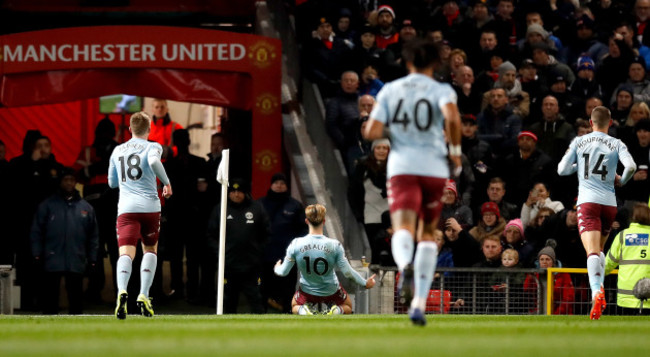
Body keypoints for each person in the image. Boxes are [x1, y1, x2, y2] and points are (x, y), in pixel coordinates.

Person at [363, 39, 462, 325]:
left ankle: (404, 265)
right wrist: (455, 153)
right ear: (435, 63)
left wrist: (395, 129)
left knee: (403, 227)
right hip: (432, 165)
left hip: (403, 166)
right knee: (428, 233)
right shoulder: (442, 90)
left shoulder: (392, 90)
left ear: (407, 63)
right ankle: (418, 302)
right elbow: (453, 120)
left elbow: (371, 130)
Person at [557, 106, 637, 320]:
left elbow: (561, 170)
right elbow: (631, 167)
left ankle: (596, 293)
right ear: (610, 123)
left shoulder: (579, 141)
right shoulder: (617, 143)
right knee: (599, 250)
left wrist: (579, 165)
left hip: (588, 202)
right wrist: (622, 180)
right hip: (610, 204)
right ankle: (599, 290)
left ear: (591, 123)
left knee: (591, 251)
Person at [108, 111, 173, 319]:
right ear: (149, 129)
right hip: (150, 208)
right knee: (150, 250)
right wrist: (166, 183)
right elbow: (154, 162)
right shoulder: (153, 146)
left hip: (126, 209)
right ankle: (144, 294)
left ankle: (122, 291)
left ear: (130, 129)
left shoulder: (118, 151)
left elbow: (111, 183)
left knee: (126, 253)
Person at [274, 204, 376, 315]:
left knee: (294, 306)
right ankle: (336, 310)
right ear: (324, 221)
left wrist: (277, 267)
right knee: (347, 306)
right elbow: (347, 272)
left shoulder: (296, 243)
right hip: (331, 290)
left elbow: (283, 272)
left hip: (307, 291)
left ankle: (304, 310)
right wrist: (365, 283)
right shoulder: (334, 245)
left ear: (307, 221)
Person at [30, 168, 99, 314]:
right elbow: (36, 231)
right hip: (51, 257)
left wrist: (92, 257)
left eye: (72, 180)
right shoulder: (47, 206)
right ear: (60, 182)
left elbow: (93, 235)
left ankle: (76, 330)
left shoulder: (86, 208)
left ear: (75, 183)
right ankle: (48, 328)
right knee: (50, 299)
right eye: (66, 180)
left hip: (76, 257)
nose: (69, 183)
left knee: (76, 299)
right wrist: (36, 253)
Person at [207, 178, 270, 314]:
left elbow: (266, 233)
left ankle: (263, 331)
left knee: (256, 299)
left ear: (245, 193)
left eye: (239, 191)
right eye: (233, 191)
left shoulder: (257, 208)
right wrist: (220, 252)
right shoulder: (221, 209)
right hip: (229, 264)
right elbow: (211, 234)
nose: (236, 194)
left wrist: (258, 251)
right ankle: (228, 332)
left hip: (251, 265)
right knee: (229, 300)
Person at [259, 173, 307, 313]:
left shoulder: (295, 205)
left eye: (282, 183)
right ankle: (260, 314)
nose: (279, 186)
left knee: (287, 289)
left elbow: (304, 229)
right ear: (271, 185)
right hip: (265, 255)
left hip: (288, 257)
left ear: (286, 186)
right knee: (263, 288)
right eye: (276, 183)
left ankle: (288, 313)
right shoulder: (260, 204)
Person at [605, 203, 650, 315]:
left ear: (633, 217)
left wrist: (595, 275)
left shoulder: (622, 236)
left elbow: (608, 263)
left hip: (625, 297)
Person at [523, 242, 575, 315]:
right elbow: (527, 291)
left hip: (561, 313)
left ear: (553, 262)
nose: (544, 262)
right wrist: (530, 277)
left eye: (547, 259)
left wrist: (556, 314)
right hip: (539, 312)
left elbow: (568, 298)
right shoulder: (535, 275)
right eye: (542, 259)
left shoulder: (563, 274)